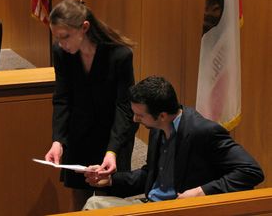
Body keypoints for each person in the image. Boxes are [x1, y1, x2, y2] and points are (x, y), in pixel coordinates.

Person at [83, 76, 264, 210]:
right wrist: (111, 180)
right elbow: (150, 175)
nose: (135, 119)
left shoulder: (203, 131)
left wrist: (201, 191)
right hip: (152, 204)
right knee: (93, 204)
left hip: (177, 209)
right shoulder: (158, 128)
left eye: (140, 115)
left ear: (162, 115)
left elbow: (251, 171)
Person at [44, 0, 138, 210]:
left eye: (65, 37)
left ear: (84, 28)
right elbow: (62, 98)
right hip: (80, 133)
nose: (61, 44)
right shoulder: (61, 53)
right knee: (80, 198)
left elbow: (124, 107)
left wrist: (113, 150)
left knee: (108, 201)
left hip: (114, 132)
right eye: (57, 37)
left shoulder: (119, 55)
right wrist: (58, 140)